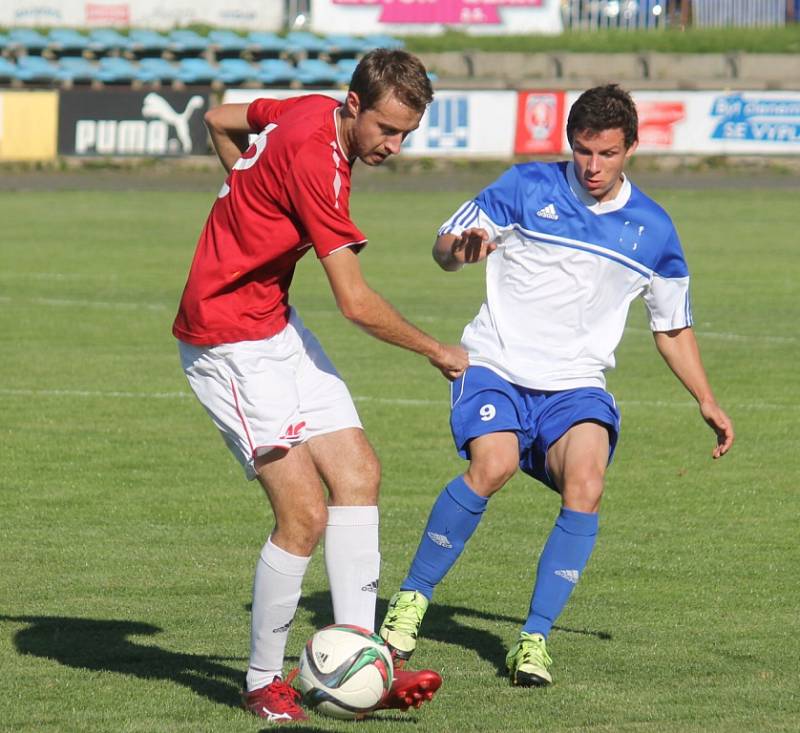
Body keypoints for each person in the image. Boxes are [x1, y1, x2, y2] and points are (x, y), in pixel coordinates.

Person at [378, 84, 734, 688]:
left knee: (587, 483)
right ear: (570, 143)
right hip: (495, 363)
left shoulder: (653, 230)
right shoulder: (524, 187)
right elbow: (445, 246)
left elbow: (672, 326)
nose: (593, 167)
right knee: (494, 464)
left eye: (608, 154)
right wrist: (458, 253)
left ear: (632, 149)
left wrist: (705, 396)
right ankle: (410, 601)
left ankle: (533, 640)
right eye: (583, 151)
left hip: (574, 383)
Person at [172, 49, 467, 722]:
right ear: (355, 105)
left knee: (359, 471)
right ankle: (260, 680)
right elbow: (357, 303)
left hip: (271, 320)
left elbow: (220, 121)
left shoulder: (311, 108)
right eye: (387, 130)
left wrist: (252, 202)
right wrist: (436, 350)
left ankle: (364, 658)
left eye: (406, 135)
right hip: (226, 340)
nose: (393, 145)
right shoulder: (317, 164)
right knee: (303, 514)